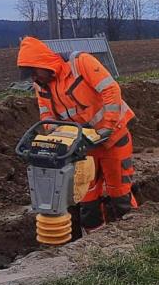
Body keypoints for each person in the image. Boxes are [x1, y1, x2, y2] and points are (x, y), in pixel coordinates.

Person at [17, 36, 136, 233]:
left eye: (34, 72)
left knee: (119, 194)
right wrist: (53, 136)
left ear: (42, 63)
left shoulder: (80, 64)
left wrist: (107, 125)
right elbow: (46, 113)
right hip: (82, 146)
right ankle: (93, 243)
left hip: (112, 137)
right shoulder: (42, 85)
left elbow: (110, 89)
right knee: (87, 199)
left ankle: (135, 236)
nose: (34, 78)